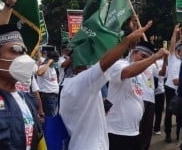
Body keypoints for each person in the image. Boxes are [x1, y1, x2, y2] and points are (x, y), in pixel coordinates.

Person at [59, 21, 154, 150]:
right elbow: (104, 64)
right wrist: (127, 40)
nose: (98, 57)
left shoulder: (71, 85)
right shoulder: (82, 82)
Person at [0, 24, 45, 149]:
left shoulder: (27, 99)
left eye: (25, 51)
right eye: (17, 50)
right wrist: (8, 6)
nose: (25, 57)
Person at [105, 38, 169, 150]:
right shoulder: (120, 64)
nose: (145, 61)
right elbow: (127, 72)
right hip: (117, 131)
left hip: (132, 131)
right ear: (133, 53)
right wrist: (154, 57)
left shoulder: (139, 73)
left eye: (147, 58)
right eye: (143, 56)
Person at [164, 23, 182, 143]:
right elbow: (172, 45)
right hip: (170, 88)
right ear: (177, 51)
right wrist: (175, 32)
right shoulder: (172, 57)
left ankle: (179, 134)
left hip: (180, 89)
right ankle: (168, 133)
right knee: (169, 111)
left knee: (180, 112)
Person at [36, 50, 60, 117]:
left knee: (51, 116)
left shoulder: (52, 68)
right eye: (55, 61)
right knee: (50, 118)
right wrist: (48, 63)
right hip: (47, 96)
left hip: (54, 96)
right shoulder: (44, 66)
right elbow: (39, 73)